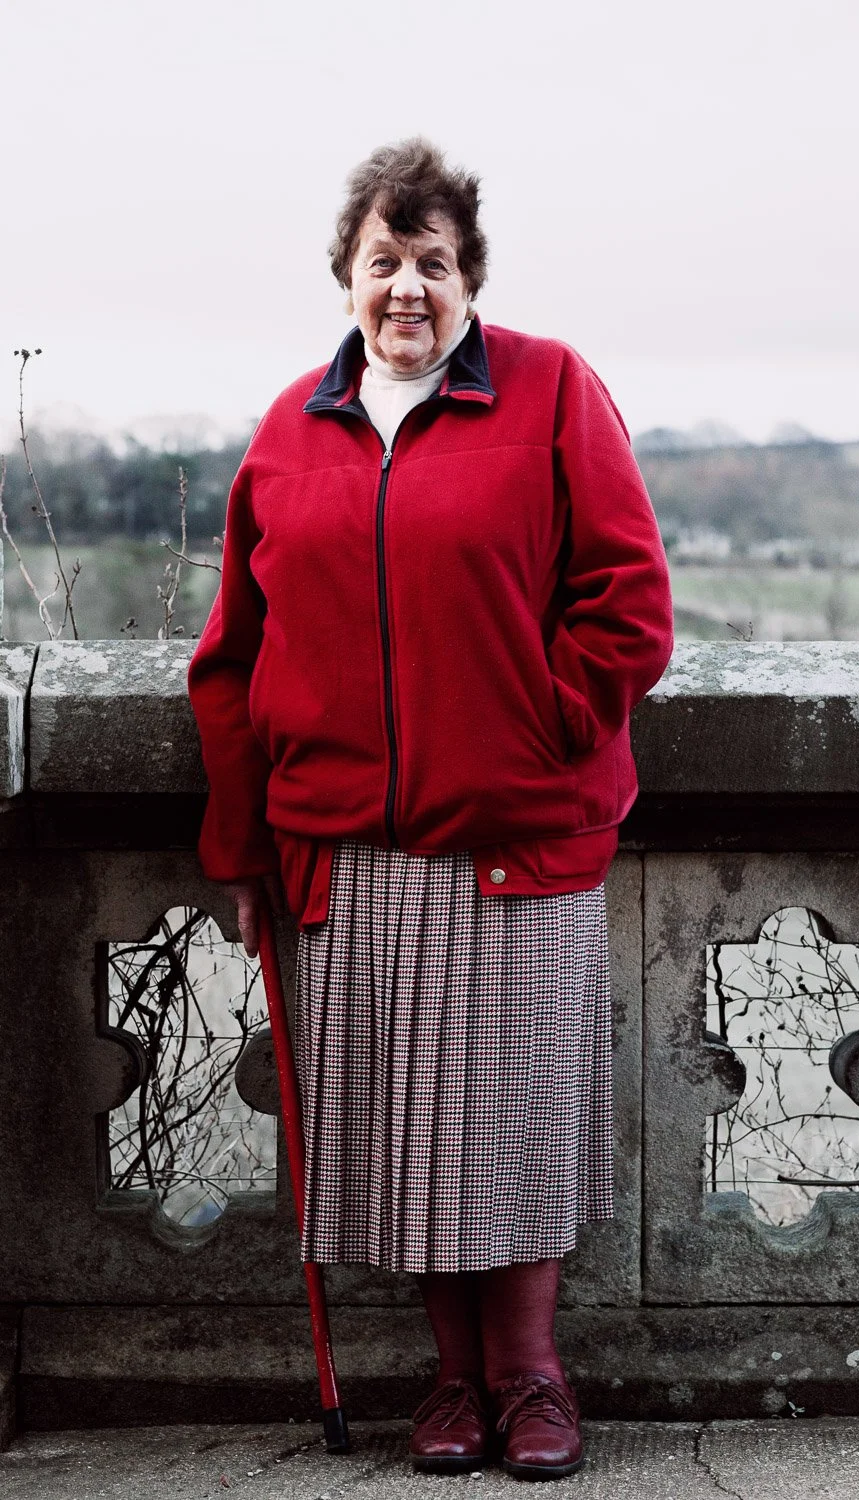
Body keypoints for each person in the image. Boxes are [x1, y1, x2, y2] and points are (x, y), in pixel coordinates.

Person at [188, 137, 673, 1481]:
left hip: (514, 841)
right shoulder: (291, 431)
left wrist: (537, 731)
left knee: (509, 1121)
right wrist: (240, 843)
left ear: (471, 283)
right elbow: (232, 660)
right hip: (348, 850)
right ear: (347, 279)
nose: (409, 288)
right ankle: (452, 1383)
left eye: (435, 265)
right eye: (384, 263)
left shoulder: (553, 389)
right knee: (403, 1131)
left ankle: (531, 1379)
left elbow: (628, 606)